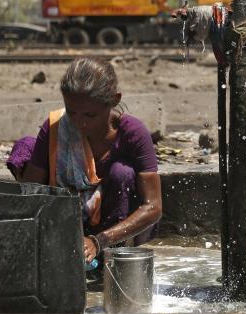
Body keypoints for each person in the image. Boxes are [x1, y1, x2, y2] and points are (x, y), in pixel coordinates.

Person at [8, 57, 162, 264]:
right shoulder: (56, 128)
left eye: (90, 115)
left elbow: (153, 207)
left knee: (121, 172)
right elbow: (32, 195)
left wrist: (98, 242)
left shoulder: (132, 133)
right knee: (26, 145)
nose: (80, 123)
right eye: (71, 112)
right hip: (65, 224)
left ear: (114, 100)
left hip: (115, 231)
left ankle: (113, 256)